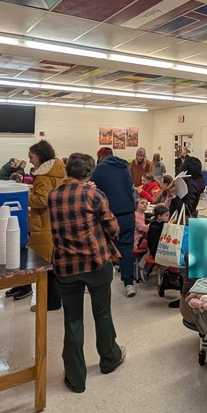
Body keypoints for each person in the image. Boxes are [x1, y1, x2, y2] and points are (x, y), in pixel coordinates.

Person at [48, 153, 126, 392]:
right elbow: (113, 229)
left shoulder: (53, 195)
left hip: (65, 266)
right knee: (102, 313)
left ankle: (75, 377)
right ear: (89, 173)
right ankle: (109, 358)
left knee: (73, 319)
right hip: (96, 263)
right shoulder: (94, 194)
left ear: (67, 170)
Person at [7, 140, 66, 308]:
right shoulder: (59, 170)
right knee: (52, 264)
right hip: (56, 220)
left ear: (40, 156)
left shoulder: (43, 176)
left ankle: (50, 303)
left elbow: (42, 200)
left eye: (31, 157)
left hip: (44, 223)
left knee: (45, 265)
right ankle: (51, 299)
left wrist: (24, 196)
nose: (30, 160)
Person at [91, 147, 138, 298]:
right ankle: (129, 284)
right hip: (129, 213)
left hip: (110, 214)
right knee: (126, 247)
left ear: (100, 157)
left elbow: (91, 190)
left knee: (103, 248)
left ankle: (101, 284)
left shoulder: (99, 169)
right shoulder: (125, 166)